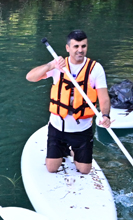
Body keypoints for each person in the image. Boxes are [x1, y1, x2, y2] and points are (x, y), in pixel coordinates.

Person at [25, 30, 111, 174]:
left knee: (84, 170)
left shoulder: (95, 69)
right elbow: (30, 77)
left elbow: (104, 97)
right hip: (58, 127)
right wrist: (50, 65)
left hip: (82, 129)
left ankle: (73, 151)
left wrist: (105, 115)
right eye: (76, 46)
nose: (80, 50)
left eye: (83, 46)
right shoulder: (59, 66)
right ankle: (64, 149)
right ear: (68, 48)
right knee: (52, 169)